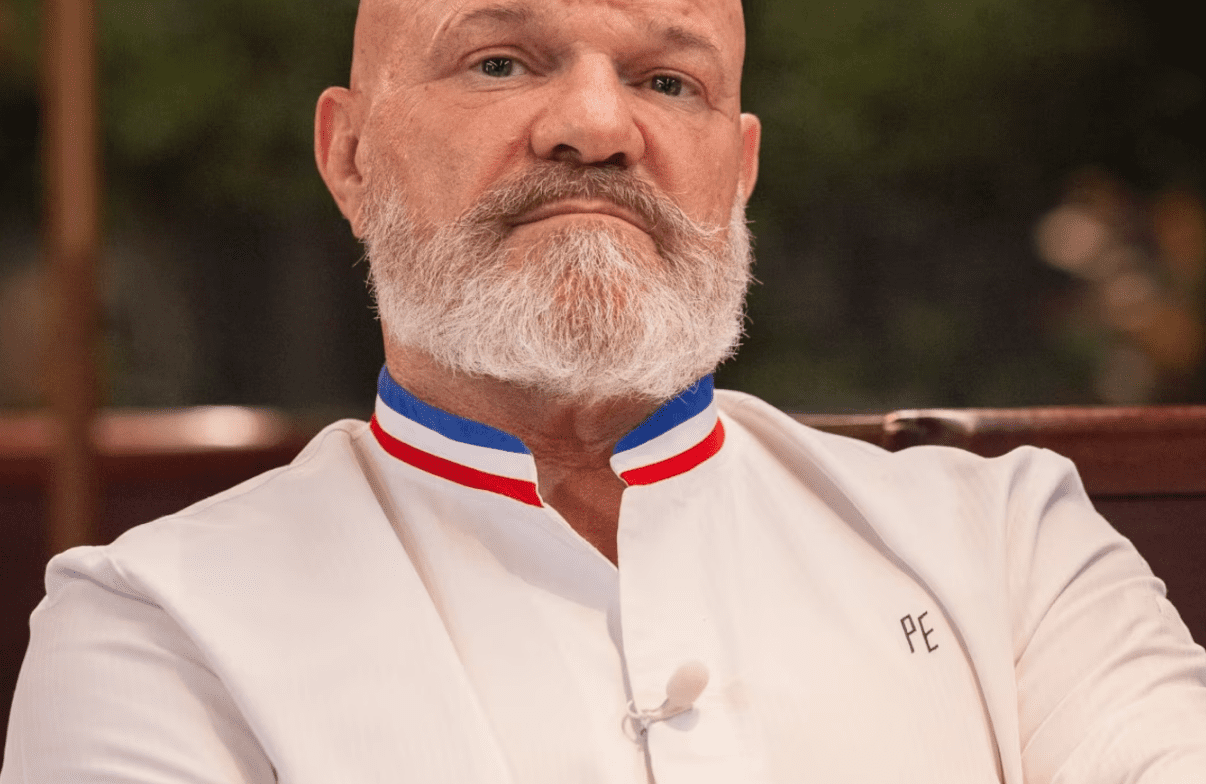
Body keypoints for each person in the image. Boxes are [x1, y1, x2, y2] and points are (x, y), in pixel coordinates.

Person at [4, 0, 1205, 780]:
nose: (594, 125)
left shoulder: (1014, 552)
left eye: (669, 82)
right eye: (499, 61)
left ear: (738, 172)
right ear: (350, 155)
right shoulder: (156, 629)